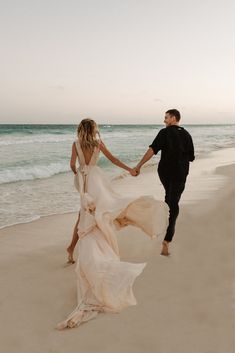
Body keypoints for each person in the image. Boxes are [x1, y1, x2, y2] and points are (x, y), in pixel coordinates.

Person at [57, 118, 169, 329]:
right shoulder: (98, 143)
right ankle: (73, 248)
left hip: (84, 180)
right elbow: (113, 159)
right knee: (100, 212)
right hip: (97, 179)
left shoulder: (75, 144)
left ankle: (71, 249)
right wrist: (131, 169)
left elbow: (72, 165)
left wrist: (80, 175)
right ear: (94, 130)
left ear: (80, 130)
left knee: (85, 214)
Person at [134, 109, 195, 256]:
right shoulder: (187, 134)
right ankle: (167, 239)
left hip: (165, 173)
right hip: (180, 173)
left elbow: (152, 150)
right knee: (173, 203)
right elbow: (191, 157)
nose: (164, 120)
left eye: (166, 117)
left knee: (169, 199)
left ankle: (163, 226)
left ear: (173, 118)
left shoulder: (164, 132)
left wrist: (139, 166)